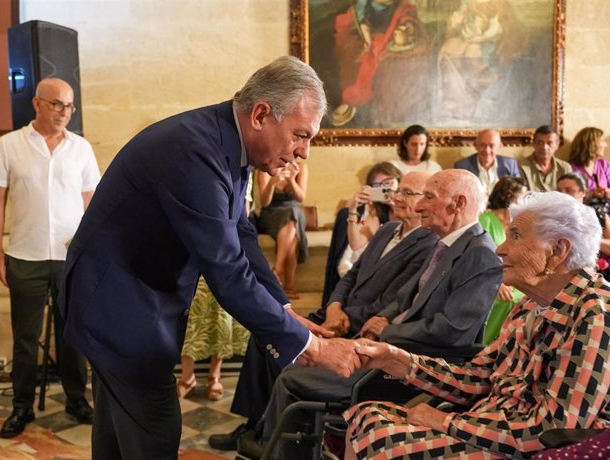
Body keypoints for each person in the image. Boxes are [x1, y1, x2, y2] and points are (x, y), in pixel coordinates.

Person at [57, 56, 360, 459]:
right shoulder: (195, 151)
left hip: (125, 301)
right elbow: (227, 271)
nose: (303, 152)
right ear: (261, 115)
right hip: (119, 307)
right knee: (155, 434)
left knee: (119, 435)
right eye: (300, 135)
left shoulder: (226, 142)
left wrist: (283, 309)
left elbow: (240, 230)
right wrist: (313, 348)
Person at [344, 191, 610, 459]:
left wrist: (445, 422)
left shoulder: (600, 316)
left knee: (383, 441)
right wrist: (395, 359)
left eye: (514, 236)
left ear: (557, 251)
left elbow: (555, 428)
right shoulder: (531, 304)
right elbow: (480, 376)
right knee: (366, 416)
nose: (500, 249)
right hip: (491, 425)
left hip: (537, 449)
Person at [251, 169, 502, 459]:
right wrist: (381, 319)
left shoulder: (480, 254)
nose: (419, 206)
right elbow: (403, 296)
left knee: (293, 379)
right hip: (392, 348)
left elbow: (450, 331)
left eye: (428, 197)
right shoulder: (448, 244)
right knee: (294, 365)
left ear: (457, 203)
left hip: (417, 365)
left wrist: (385, 332)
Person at [210, 171, 437, 451]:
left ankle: (272, 435)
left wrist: (345, 318)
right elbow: (351, 275)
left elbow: (394, 301)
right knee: (265, 337)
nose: (397, 198)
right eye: (397, 191)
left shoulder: (428, 243)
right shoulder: (389, 229)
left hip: (360, 326)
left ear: (426, 202)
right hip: (337, 313)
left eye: (407, 193)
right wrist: (333, 307)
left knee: (287, 350)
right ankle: (254, 423)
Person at [0, 78, 99, 439]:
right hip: (25, 253)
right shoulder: (9, 145)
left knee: (73, 334)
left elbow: (91, 203)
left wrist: (95, 251)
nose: (64, 112)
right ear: (36, 103)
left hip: (70, 257)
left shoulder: (81, 148)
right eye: (57, 105)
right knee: (25, 336)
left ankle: (76, 398)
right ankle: (21, 406)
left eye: (69, 106)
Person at [331, 0, 425, 127]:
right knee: (357, 47)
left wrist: (408, 25)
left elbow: (407, 15)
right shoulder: (364, 4)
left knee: (378, 54)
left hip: (389, 33)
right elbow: (360, 12)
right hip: (371, 29)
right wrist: (364, 28)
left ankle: (372, 103)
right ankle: (357, 100)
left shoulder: (402, 6)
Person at [322, 162, 401, 304]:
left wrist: (395, 204)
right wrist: (352, 210)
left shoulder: (410, 205)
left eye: (388, 182)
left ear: (399, 181)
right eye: (378, 186)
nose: (384, 189)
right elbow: (356, 245)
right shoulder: (374, 211)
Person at [556, 172, 610, 304]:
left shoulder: (596, 214)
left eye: (569, 190)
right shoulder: (552, 217)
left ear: (583, 192)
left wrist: (587, 239)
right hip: (562, 272)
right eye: (559, 191)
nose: (563, 195)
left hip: (595, 270)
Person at [176, 277, 249, 400]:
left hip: (218, 267)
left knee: (220, 314)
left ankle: (215, 374)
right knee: (186, 313)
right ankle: (187, 376)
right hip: (187, 267)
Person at [478, 175, 527, 344]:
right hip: (489, 278)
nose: (525, 200)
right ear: (508, 195)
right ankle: (486, 345)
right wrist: (498, 283)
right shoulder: (485, 219)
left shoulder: (520, 223)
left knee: (530, 298)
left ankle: (514, 345)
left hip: (515, 275)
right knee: (508, 299)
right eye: (522, 195)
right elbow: (480, 256)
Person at [255, 159, 308, 299]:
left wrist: (291, 180)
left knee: (292, 218)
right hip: (271, 213)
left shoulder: (301, 167)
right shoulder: (266, 166)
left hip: (294, 213)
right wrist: (273, 182)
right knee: (293, 231)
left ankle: (277, 271)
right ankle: (289, 286)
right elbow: (265, 202)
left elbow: (301, 197)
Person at [454, 129, 520, 193]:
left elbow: (519, 192)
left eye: (492, 146)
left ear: (500, 146)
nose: (487, 151)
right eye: (482, 145)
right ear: (476, 146)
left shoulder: (511, 165)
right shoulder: (462, 167)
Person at [518, 125, 572, 192]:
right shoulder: (521, 167)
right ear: (533, 144)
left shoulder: (565, 168)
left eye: (549, 143)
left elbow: (569, 196)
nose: (544, 147)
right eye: (540, 142)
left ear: (557, 145)